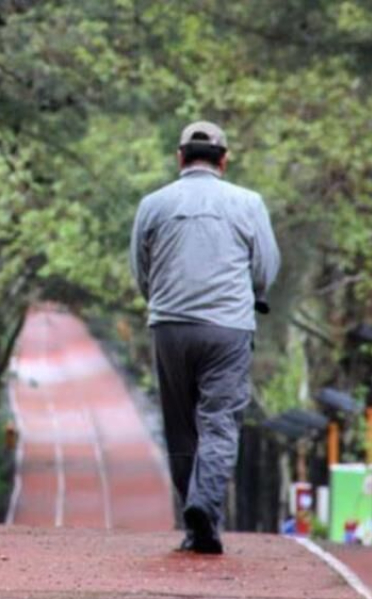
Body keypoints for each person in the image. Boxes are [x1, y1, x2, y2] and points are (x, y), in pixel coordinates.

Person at [130, 121, 281, 554]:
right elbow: (264, 267)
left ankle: (195, 521)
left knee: (181, 429)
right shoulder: (248, 203)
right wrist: (253, 296)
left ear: (180, 157)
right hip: (228, 330)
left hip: (170, 328)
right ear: (224, 159)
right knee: (219, 422)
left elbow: (141, 269)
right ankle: (204, 506)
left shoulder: (153, 205)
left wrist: (159, 300)